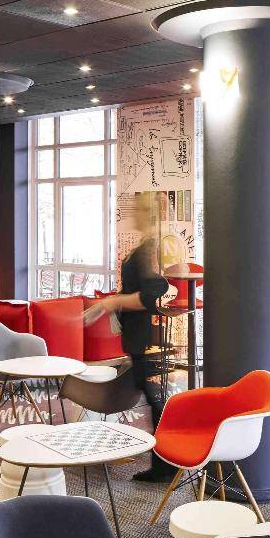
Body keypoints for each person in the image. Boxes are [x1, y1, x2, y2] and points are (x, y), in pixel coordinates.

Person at [84, 196, 177, 482]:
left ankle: (165, 463)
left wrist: (113, 302)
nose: (133, 215)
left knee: (154, 398)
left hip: (142, 336)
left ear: (148, 215)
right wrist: (109, 303)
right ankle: (165, 461)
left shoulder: (149, 249)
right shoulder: (146, 247)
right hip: (137, 335)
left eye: (138, 211)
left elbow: (150, 295)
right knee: (151, 395)